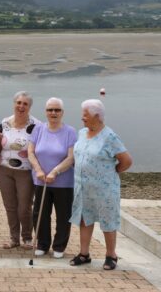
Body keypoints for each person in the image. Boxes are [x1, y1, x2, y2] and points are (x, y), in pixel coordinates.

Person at [69, 99, 132, 271]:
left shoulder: (109, 136)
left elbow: (126, 161)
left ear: (97, 116)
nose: (82, 118)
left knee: (108, 220)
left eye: (85, 115)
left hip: (104, 189)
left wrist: (111, 173)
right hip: (83, 187)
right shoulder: (82, 133)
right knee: (84, 218)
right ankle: (84, 254)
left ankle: (111, 255)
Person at [28, 97, 76, 259]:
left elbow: (71, 158)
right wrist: (38, 170)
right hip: (41, 180)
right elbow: (31, 152)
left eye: (57, 110)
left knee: (63, 216)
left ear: (62, 112)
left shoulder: (70, 131)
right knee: (40, 214)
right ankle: (42, 244)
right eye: (50, 110)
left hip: (64, 182)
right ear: (45, 112)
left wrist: (55, 171)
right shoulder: (38, 129)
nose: (53, 113)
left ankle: (59, 246)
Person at [0, 91, 39, 250]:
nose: (21, 106)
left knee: (24, 207)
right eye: (19, 103)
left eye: (25, 104)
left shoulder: (37, 125)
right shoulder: (5, 122)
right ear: (14, 104)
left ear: (29, 107)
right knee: (10, 206)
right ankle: (14, 238)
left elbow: (39, 150)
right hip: (4, 170)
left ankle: (27, 237)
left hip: (26, 171)